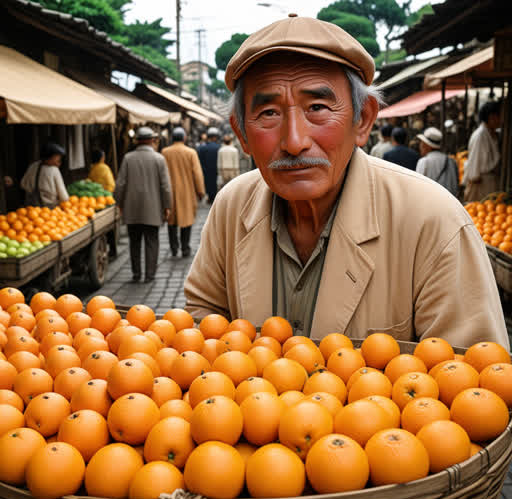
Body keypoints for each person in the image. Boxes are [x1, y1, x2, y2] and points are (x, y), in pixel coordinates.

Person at [183, 15, 508, 349]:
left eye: (318, 107)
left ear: (363, 119)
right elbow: (202, 325)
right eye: (269, 113)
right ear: (241, 134)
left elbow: (475, 380)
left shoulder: (434, 220)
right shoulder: (231, 207)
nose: (294, 142)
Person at [114, 126, 171, 283]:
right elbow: (165, 186)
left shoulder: (128, 158)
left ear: (138, 141)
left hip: (132, 209)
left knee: (135, 242)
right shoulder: (159, 159)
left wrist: (118, 203)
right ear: (152, 141)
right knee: (152, 242)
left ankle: (136, 274)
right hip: (153, 209)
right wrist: (167, 206)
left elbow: (120, 184)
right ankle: (150, 274)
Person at [161, 127, 206, 258]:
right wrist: (200, 191)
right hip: (187, 191)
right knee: (187, 220)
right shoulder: (190, 152)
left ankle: (174, 247)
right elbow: (197, 173)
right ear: (184, 138)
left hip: (170, 192)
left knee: (171, 221)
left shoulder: (165, 152)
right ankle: (185, 247)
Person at [463, 101, 502, 202]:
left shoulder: (492, 133)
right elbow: (475, 160)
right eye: (499, 116)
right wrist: (474, 177)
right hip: (481, 183)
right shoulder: (480, 135)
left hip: (488, 182)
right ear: (492, 117)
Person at [21, 142, 69, 207]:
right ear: (49, 157)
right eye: (57, 157)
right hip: (50, 208)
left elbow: (23, 184)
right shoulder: (54, 170)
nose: (59, 160)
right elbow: (64, 197)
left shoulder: (33, 166)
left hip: (32, 207)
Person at [416, 127, 459, 197]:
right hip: (450, 203)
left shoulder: (423, 162)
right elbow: (456, 187)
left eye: (422, 143)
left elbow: (418, 188)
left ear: (427, 145)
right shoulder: (451, 161)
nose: (420, 146)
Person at [198, 127, 221, 204]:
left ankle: (210, 197)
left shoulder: (202, 148)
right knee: (214, 184)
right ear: (215, 137)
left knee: (208, 184)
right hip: (215, 170)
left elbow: (200, 160)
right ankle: (214, 197)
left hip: (206, 170)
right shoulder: (218, 147)